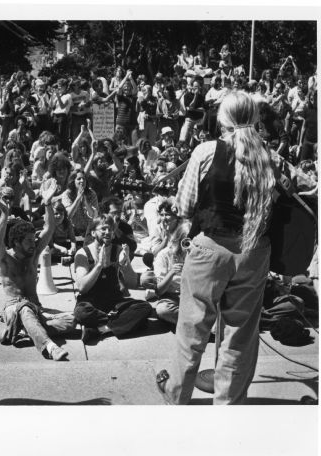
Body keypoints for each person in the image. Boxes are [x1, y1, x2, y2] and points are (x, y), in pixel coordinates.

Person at [156, 91, 275, 405]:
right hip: (253, 250)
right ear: (255, 117)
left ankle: (177, 396)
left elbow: (184, 206)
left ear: (223, 119)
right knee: (239, 336)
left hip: (211, 248)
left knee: (192, 330)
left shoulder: (206, 151)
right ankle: (227, 406)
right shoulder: (269, 156)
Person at [0, 178, 76, 361]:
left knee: (72, 320)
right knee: (24, 310)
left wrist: (47, 203)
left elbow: (49, 228)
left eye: (34, 240)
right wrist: (3, 215)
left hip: (37, 308)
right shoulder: (5, 259)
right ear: (16, 242)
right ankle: (49, 346)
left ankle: (22, 331)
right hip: (14, 307)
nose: (34, 244)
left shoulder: (33, 254)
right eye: (29, 241)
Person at [74, 215, 152, 345]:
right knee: (81, 313)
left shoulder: (118, 250)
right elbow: (82, 288)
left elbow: (132, 283)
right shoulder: (83, 253)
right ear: (93, 233)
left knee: (144, 307)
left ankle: (101, 329)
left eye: (110, 229)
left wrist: (125, 263)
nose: (107, 232)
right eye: (103, 229)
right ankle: (122, 322)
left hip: (114, 301)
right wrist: (99, 265)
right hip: (91, 302)